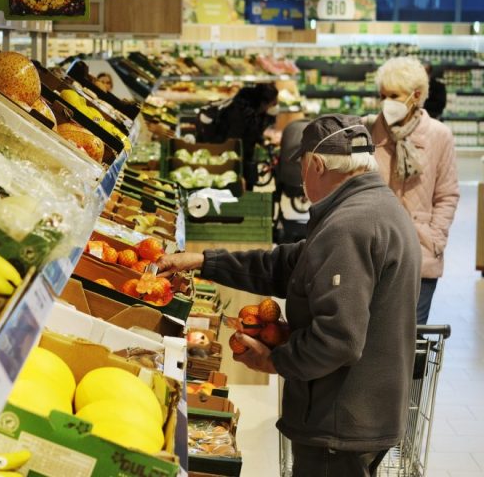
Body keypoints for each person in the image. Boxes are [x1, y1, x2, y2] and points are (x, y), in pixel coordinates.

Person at [157, 114, 421, 477]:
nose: (300, 177)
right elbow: (286, 265)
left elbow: (338, 339)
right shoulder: (375, 208)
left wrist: (276, 361)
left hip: (339, 420)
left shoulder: (349, 226)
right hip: (360, 412)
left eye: (301, 165)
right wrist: (204, 261)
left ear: (316, 163)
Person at [369, 57, 459, 325]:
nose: (386, 102)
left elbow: (447, 195)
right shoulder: (369, 132)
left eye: (394, 95)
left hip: (421, 253)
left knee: (411, 338)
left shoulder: (439, 136)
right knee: (372, 338)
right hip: (374, 252)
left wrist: (435, 238)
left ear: (416, 95)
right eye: (382, 95)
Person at [197, 83, 279, 189]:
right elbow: (234, 142)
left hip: (237, 158)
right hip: (227, 158)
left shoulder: (251, 111)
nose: (272, 107)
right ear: (263, 103)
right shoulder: (240, 114)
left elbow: (252, 134)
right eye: (272, 104)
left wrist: (261, 140)